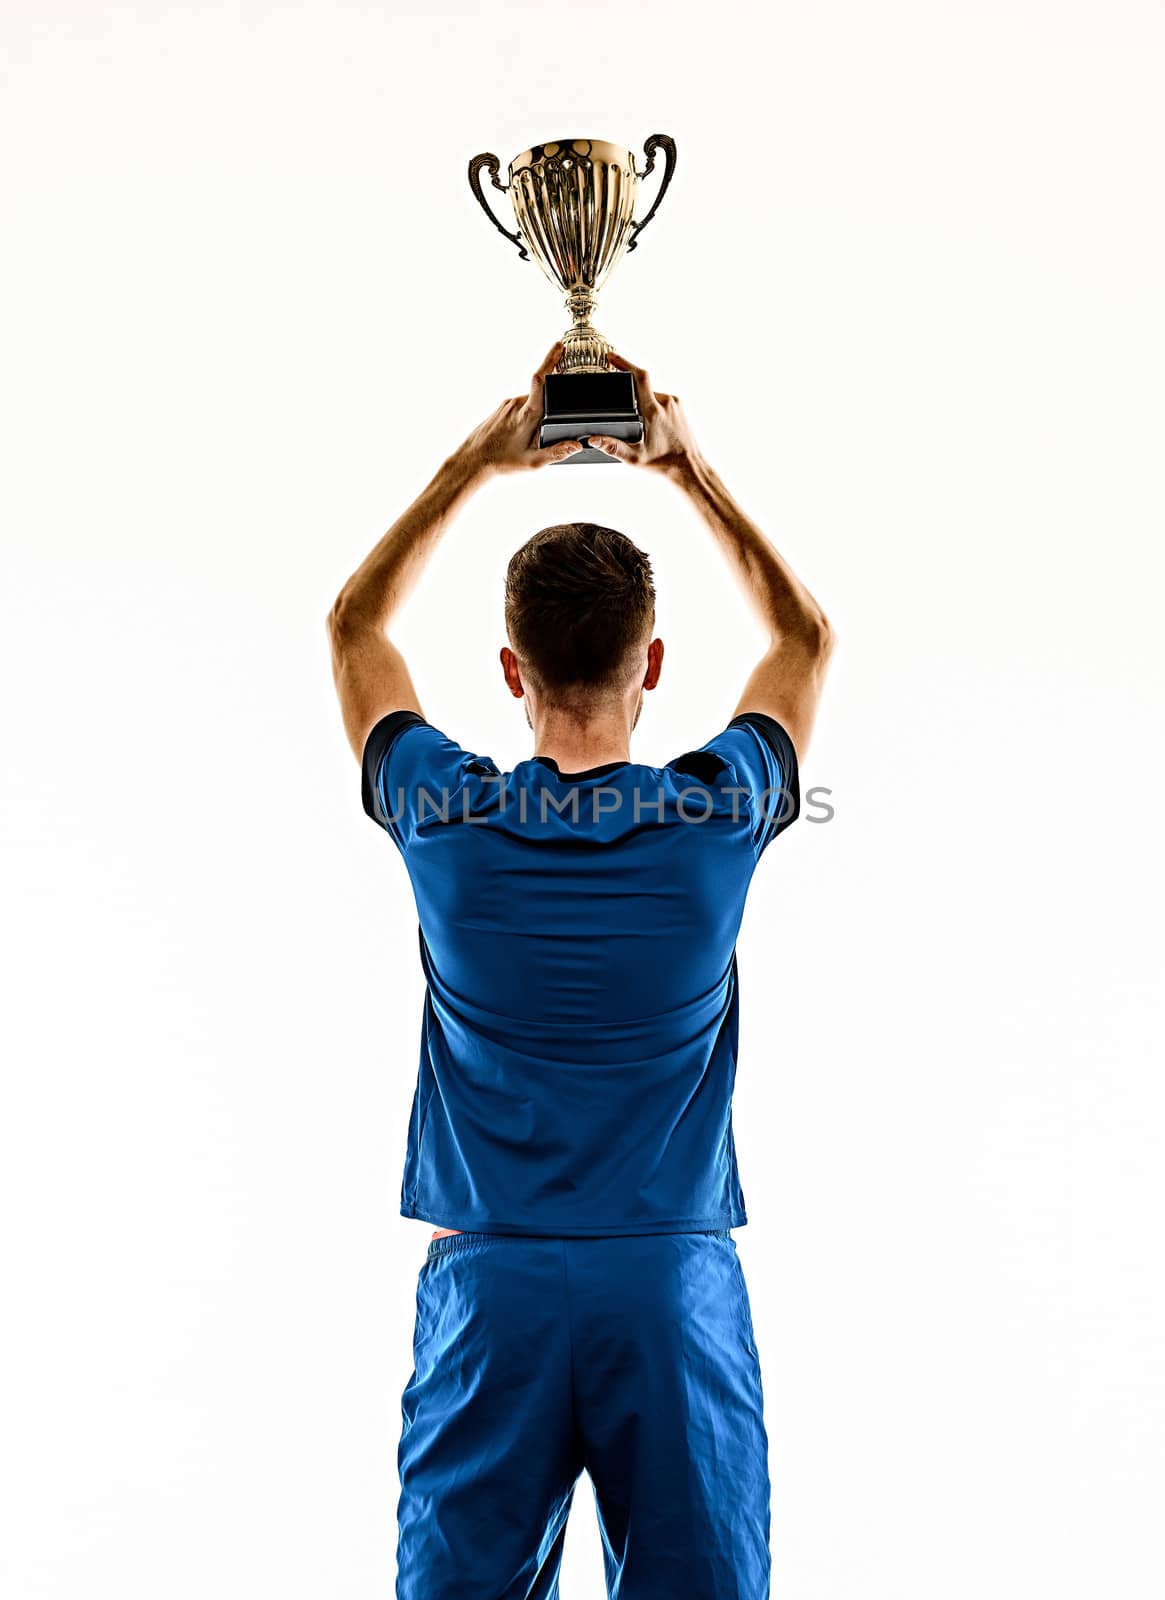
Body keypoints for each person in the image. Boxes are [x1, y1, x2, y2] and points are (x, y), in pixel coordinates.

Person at [327, 340, 835, 1599]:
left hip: (491, 1285)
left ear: (511, 671)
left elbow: (355, 627)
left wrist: (481, 462)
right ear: (652, 664)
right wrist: (687, 467)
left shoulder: (447, 817)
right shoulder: (715, 814)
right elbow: (804, 638)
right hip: (668, 1283)